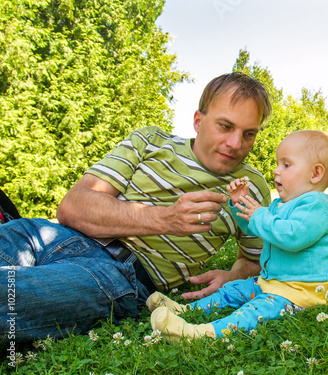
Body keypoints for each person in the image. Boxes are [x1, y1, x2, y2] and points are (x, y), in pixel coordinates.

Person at [0, 72, 272, 350]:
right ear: (198, 121)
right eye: (225, 126)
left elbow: (256, 259)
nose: (236, 144)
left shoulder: (251, 187)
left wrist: (233, 276)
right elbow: (73, 207)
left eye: (249, 134)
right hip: (51, 235)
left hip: (119, 273)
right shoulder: (149, 141)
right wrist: (165, 219)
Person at [147, 130, 328, 341]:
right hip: (274, 282)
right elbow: (255, 229)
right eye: (278, 164)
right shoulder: (281, 204)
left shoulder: (316, 206)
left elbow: (291, 237)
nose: (276, 171)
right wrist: (241, 204)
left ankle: (202, 334)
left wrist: (259, 214)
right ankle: (184, 310)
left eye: (286, 165)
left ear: (315, 174)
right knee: (232, 289)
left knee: (255, 310)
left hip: (305, 291)